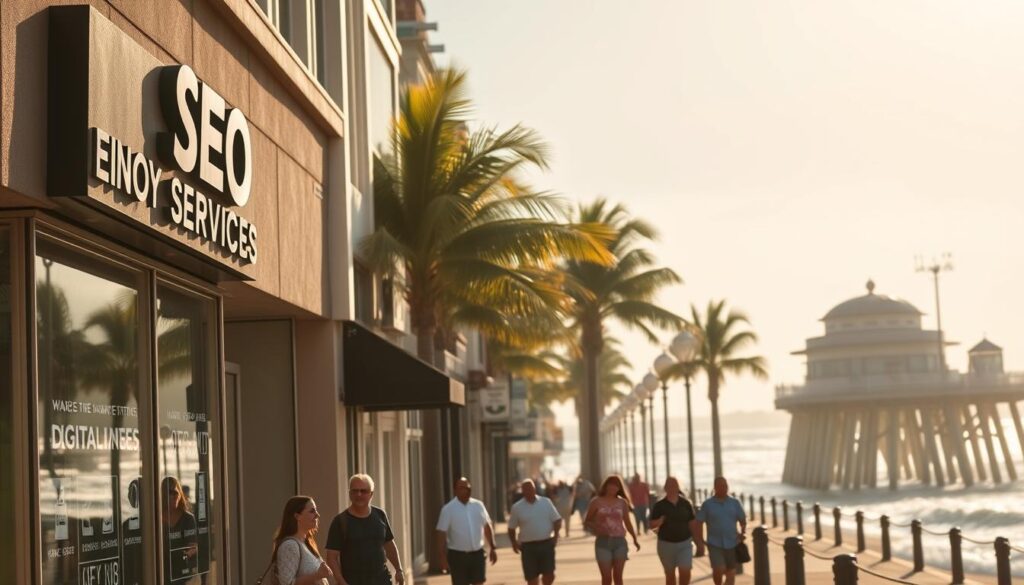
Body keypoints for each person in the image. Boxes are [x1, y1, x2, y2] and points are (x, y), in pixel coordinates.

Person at [325, 474, 405, 585]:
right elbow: (331, 557)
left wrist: (399, 570)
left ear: (371, 494)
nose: (359, 494)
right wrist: (341, 582)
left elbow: (389, 544)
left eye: (363, 491)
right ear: (349, 494)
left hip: (382, 580)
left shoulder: (380, 515)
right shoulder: (340, 521)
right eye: (355, 491)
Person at [436, 477, 498, 585]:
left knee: (479, 582)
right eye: (462, 488)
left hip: (477, 554)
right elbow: (441, 533)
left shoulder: (478, 505)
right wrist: (442, 557)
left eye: (467, 487)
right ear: (455, 490)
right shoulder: (448, 509)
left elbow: (487, 526)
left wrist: (492, 547)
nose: (466, 490)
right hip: (458, 557)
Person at [584, 475, 640, 585]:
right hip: (603, 542)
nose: (613, 488)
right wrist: (596, 528)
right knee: (606, 578)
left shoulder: (622, 503)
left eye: (616, 486)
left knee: (618, 577)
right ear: (606, 486)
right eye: (611, 485)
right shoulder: (596, 501)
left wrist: (634, 539)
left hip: (620, 542)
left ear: (619, 488)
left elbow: (627, 523)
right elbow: (587, 521)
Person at [508, 479, 562, 585]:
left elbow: (557, 520)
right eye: (526, 489)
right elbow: (511, 528)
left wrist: (555, 536)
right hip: (528, 548)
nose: (529, 491)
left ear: (535, 489)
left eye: (531, 488)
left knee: (549, 575)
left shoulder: (546, 502)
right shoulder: (517, 507)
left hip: (546, 544)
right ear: (522, 491)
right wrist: (514, 542)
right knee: (531, 578)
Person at [650, 477, 702, 585]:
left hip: (685, 543)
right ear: (665, 488)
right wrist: (659, 521)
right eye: (669, 486)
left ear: (678, 487)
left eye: (674, 485)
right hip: (666, 544)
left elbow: (692, 524)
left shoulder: (686, 504)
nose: (672, 488)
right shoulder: (659, 505)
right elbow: (651, 525)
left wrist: (699, 542)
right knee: (670, 576)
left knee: (685, 571)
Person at [695, 477, 747, 585]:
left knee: (731, 573)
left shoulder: (735, 502)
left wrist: (743, 532)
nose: (724, 488)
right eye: (721, 486)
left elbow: (742, 520)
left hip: (732, 543)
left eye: (725, 486)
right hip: (714, 543)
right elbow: (699, 522)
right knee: (719, 569)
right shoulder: (707, 504)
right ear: (715, 488)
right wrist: (700, 540)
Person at [272, 496, 333, 585]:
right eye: (312, 511)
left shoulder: (306, 543)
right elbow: (287, 583)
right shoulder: (290, 546)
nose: (317, 515)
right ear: (297, 516)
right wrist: (317, 575)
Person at [162, 476, 198, 583]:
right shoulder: (155, 519)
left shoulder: (188, 519)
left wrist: (185, 554)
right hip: (162, 573)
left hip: (182, 576)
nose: (174, 496)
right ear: (163, 495)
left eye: (176, 492)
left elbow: (193, 547)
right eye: (170, 492)